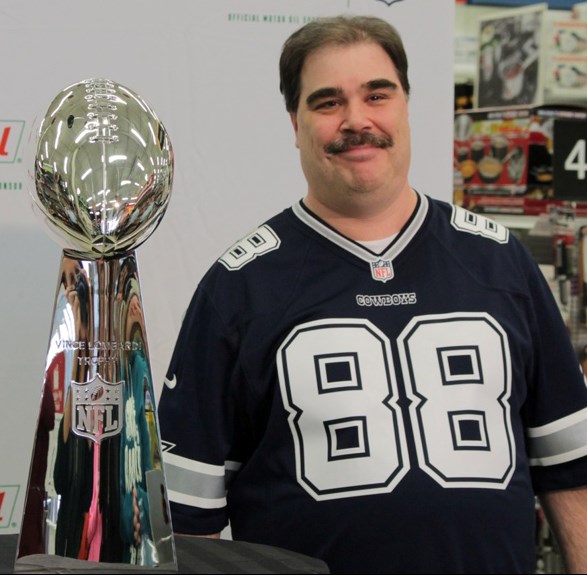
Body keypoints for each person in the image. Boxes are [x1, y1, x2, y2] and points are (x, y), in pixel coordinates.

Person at [157, 15, 587, 574]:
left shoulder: (501, 262)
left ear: (405, 103)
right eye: (327, 102)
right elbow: (189, 523)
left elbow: (571, 470)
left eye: (376, 95)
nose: (356, 120)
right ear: (295, 122)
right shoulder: (239, 286)